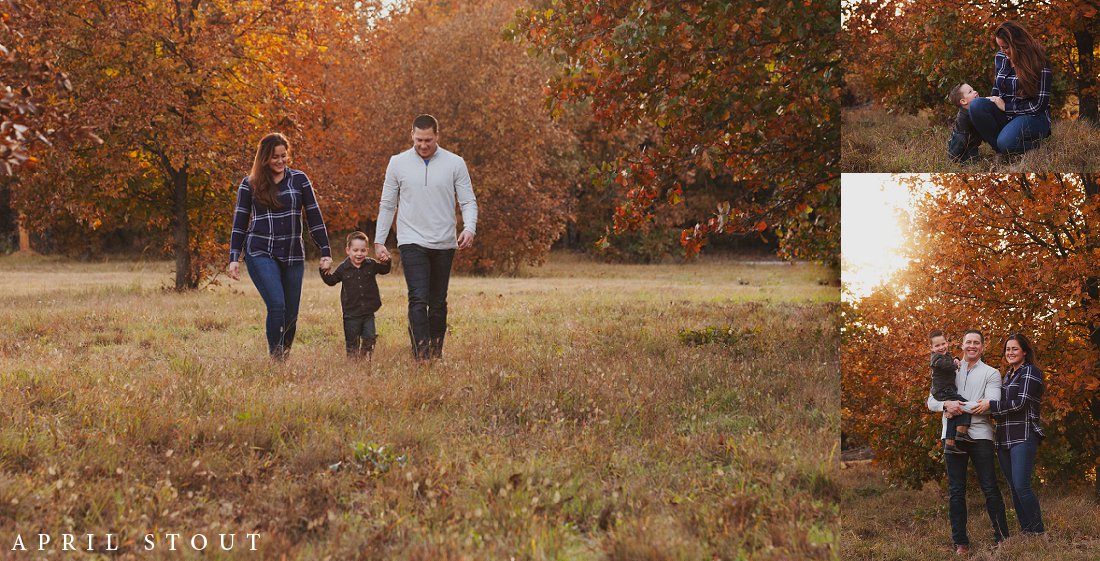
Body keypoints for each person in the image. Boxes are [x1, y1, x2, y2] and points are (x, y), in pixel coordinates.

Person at [374, 114, 478, 361]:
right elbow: (388, 204)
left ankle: (436, 352)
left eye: (428, 140)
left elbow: (468, 200)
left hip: (444, 241)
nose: (423, 145)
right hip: (411, 240)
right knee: (418, 298)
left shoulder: (455, 163)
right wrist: (379, 240)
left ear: (437, 136)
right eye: (419, 140)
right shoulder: (397, 163)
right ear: (412, 135)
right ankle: (422, 355)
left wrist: (470, 228)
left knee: (438, 301)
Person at [228, 133, 332, 360]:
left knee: (291, 315)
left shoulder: (299, 180)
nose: (280, 161)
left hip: (293, 254)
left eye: (284, 156)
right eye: (275, 157)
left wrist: (325, 251)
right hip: (260, 251)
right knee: (277, 305)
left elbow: (314, 217)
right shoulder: (250, 184)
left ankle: (284, 354)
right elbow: (239, 222)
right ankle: (276, 360)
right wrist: (234, 257)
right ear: (264, 157)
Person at [926, 329, 1009, 555]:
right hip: (951, 436)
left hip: (981, 435)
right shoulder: (950, 366)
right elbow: (931, 400)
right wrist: (945, 406)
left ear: (982, 347)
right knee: (956, 490)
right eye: (968, 342)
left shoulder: (992, 373)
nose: (972, 346)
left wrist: (958, 406)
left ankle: (1002, 537)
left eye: (976, 343)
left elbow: (991, 403)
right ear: (961, 345)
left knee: (990, 487)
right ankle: (960, 543)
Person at [975, 333, 1046, 536]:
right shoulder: (1008, 375)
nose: (1010, 352)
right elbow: (1000, 405)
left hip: (1024, 434)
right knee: (1014, 487)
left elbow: (1021, 403)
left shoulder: (1030, 372)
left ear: (1024, 351)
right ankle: (1026, 531)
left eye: (1015, 349)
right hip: (1004, 437)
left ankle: (1038, 532)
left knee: (1022, 486)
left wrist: (992, 405)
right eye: (1008, 349)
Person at [966, 21, 1052, 157]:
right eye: (1000, 47)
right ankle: (1003, 150)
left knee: (1006, 143)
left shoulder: (1039, 62)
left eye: (1005, 47)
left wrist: (1007, 107)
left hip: (1033, 117)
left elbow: (1039, 105)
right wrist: (990, 103)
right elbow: (997, 87)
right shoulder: (1001, 57)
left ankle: (1037, 148)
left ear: (1018, 44)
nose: (1002, 51)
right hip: (1006, 114)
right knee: (976, 105)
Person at [321, 231, 392, 360]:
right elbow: (331, 281)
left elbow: (385, 270)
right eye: (355, 250)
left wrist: (387, 261)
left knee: (370, 337)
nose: (359, 254)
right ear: (348, 250)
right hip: (351, 314)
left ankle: (364, 359)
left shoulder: (371, 264)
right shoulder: (343, 268)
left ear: (367, 250)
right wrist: (324, 271)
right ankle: (353, 365)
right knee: (352, 342)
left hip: (368, 312)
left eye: (363, 250)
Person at [928, 330, 975, 455]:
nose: (941, 347)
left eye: (943, 344)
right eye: (937, 346)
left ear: (947, 343)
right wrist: (955, 365)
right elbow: (945, 364)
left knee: (953, 412)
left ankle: (950, 444)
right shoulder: (936, 358)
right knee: (964, 404)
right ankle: (961, 433)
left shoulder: (945, 355)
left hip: (945, 390)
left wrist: (956, 359)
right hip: (943, 391)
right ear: (931, 348)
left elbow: (950, 360)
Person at [946, 83, 983, 163]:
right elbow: (960, 139)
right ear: (963, 101)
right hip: (962, 142)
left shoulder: (977, 108)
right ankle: (954, 158)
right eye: (970, 92)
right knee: (961, 140)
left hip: (972, 141)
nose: (975, 92)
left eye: (973, 89)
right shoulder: (963, 118)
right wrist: (953, 157)